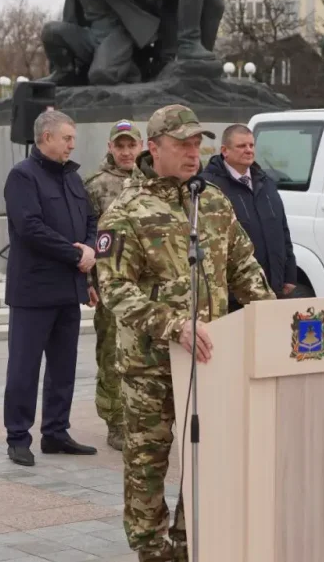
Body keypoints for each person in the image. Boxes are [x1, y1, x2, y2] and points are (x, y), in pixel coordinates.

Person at [95, 104, 276, 562]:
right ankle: (151, 549)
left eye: (198, 144)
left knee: (206, 459)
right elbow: (113, 289)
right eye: (182, 145)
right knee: (146, 464)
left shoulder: (212, 201)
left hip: (209, 359)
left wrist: (272, 319)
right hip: (149, 365)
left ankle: (188, 539)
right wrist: (172, 324)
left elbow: (242, 266)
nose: (194, 153)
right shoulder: (127, 210)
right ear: (153, 149)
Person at [2, 109, 99, 467]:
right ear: (46, 138)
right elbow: (30, 228)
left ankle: (56, 432)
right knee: (24, 369)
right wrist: (76, 255)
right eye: (67, 138)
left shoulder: (72, 178)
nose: (72, 145)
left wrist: (89, 250)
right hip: (33, 291)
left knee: (63, 367)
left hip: (68, 289)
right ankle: (17, 437)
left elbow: (90, 219)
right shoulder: (22, 177)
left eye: (72, 138)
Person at [83, 119, 142, 451]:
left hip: (146, 285)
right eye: (119, 145)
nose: (125, 151)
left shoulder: (152, 181)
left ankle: (142, 417)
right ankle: (115, 421)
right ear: (110, 147)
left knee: (144, 354)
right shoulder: (94, 185)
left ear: (141, 146)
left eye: (131, 145)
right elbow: (87, 235)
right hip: (109, 285)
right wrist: (89, 282)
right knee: (111, 354)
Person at [201, 124, 300, 307]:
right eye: (241, 146)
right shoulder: (209, 187)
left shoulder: (266, 182)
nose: (248, 150)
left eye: (251, 145)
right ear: (225, 151)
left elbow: (282, 229)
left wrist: (289, 273)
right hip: (235, 293)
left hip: (271, 287)